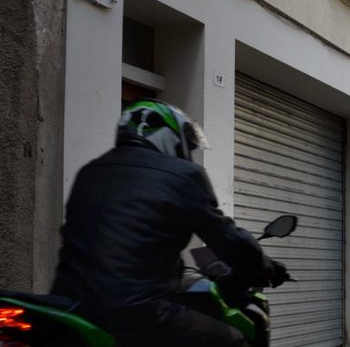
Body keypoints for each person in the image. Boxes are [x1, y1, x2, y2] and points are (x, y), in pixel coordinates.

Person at [51, 99, 290, 346]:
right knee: (233, 340)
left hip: (71, 305)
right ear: (168, 134)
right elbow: (227, 238)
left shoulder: (91, 171)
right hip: (133, 311)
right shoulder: (183, 174)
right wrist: (267, 269)